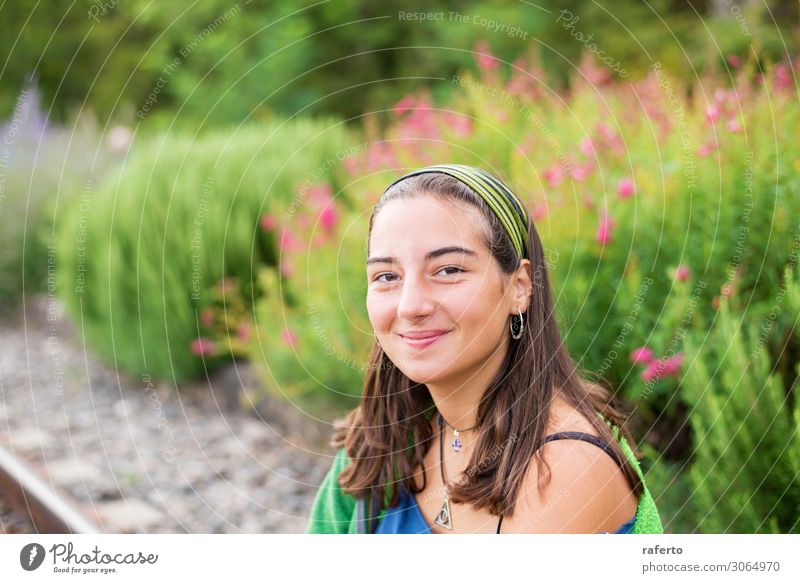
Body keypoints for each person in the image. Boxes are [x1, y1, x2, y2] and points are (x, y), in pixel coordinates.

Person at [307, 164, 663, 534]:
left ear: (519, 287)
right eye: (387, 276)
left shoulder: (564, 468)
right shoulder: (378, 444)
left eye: (448, 270)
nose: (410, 306)